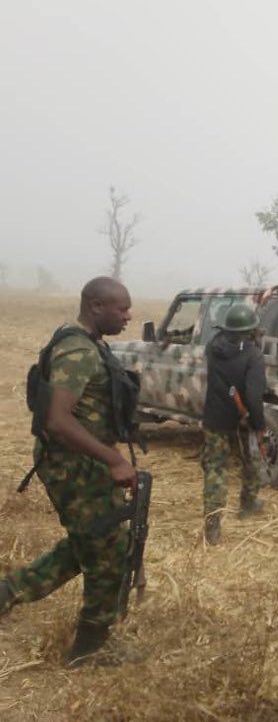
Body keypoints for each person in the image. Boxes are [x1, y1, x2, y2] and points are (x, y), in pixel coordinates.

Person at [0, 277, 139, 666]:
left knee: (90, 541)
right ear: (96, 306)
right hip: (74, 467)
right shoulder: (77, 351)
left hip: (84, 462)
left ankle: (7, 593)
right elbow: (57, 420)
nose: (129, 316)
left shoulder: (88, 343)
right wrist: (113, 460)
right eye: (121, 308)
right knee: (108, 552)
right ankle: (88, 651)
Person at [201, 303, 267, 545]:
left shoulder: (212, 347)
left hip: (214, 418)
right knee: (251, 462)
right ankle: (248, 504)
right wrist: (258, 424)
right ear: (250, 330)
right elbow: (253, 395)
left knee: (215, 471)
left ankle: (213, 524)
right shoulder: (253, 355)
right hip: (242, 420)